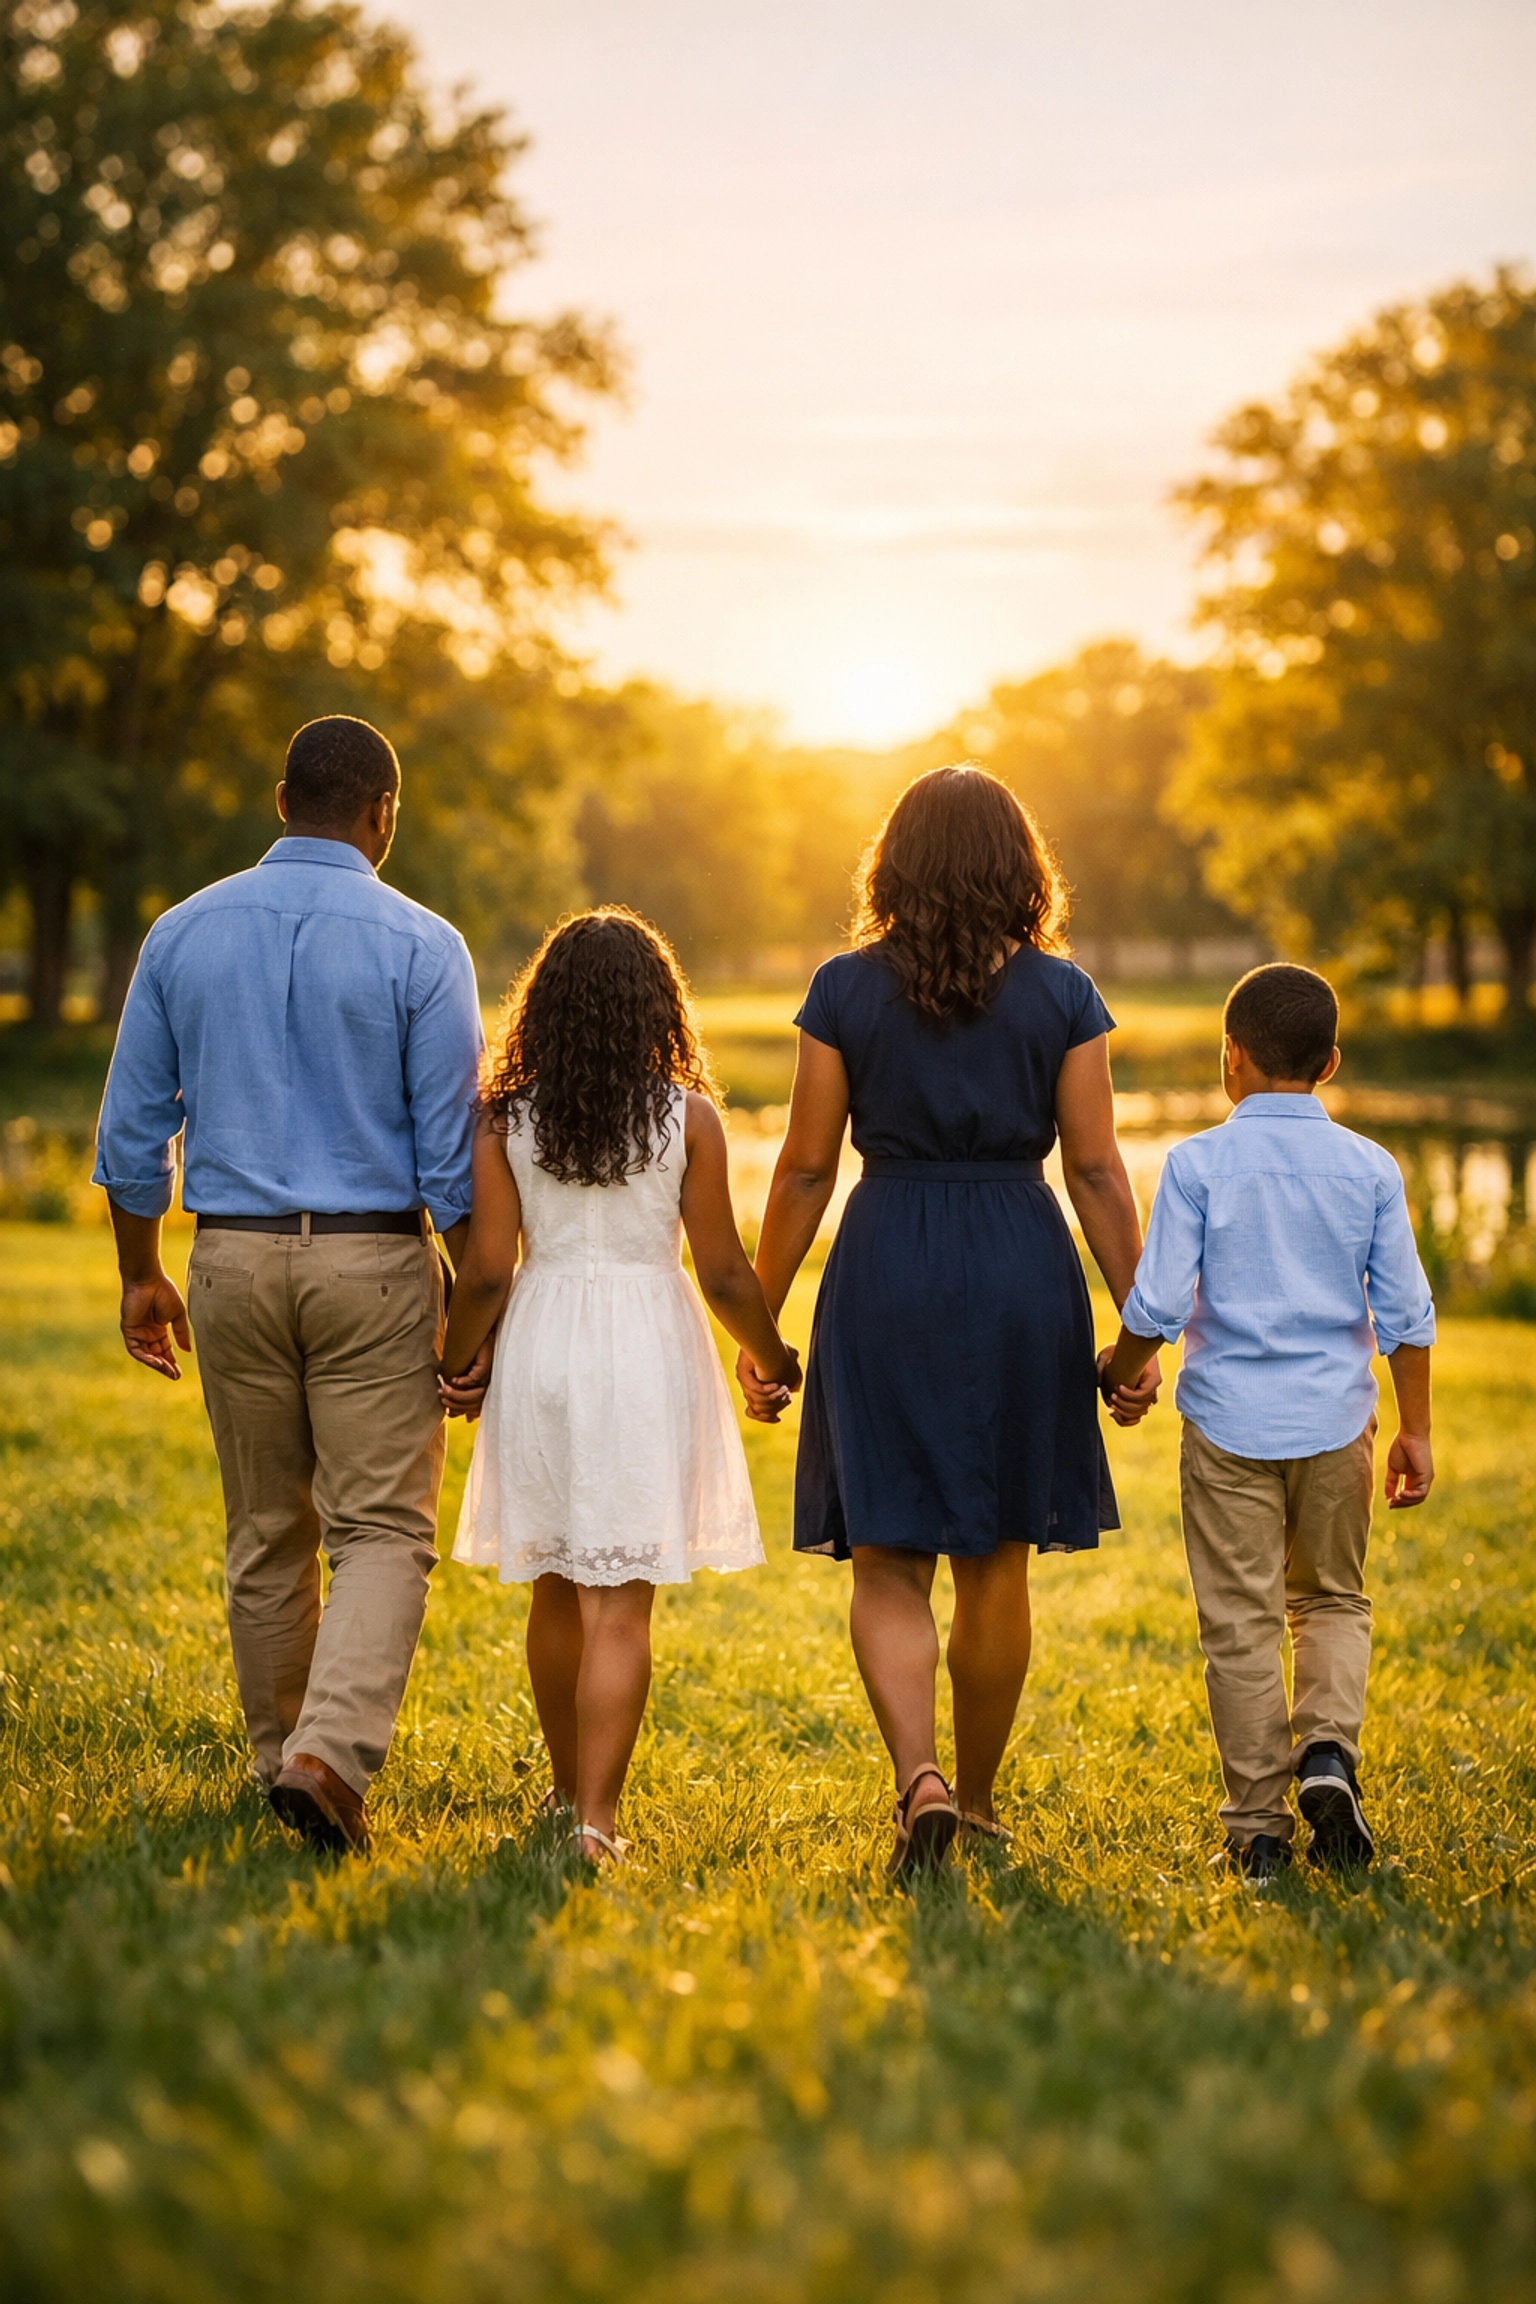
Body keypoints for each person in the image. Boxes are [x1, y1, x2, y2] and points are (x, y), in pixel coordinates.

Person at [740, 766, 1156, 1878]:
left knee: (887, 1559)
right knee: (996, 1559)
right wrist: (1141, 1323)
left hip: (887, 1265)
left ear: (895, 863)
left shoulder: (841, 988)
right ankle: (971, 1802)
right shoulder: (1065, 994)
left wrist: (758, 1319)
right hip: (1021, 1261)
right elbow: (1102, 1173)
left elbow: (805, 1169)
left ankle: (914, 1777)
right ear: (1023, 867)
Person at [93, 716, 485, 1855]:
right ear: (383, 818)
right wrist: (472, 1310)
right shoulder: (425, 945)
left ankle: (281, 1761)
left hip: (230, 1259)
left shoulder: (181, 934)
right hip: (373, 1261)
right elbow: (451, 1160)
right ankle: (326, 1760)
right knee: (381, 1533)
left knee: (265, 1530)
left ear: (280, 802)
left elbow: (131, 1135)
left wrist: (140, 1275)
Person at [439, 909, 799, 1867]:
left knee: (554, 1584)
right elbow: (724, 1272)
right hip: (645, 1347)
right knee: (621, 1604)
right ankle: (597, 1821)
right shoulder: (691, 1117)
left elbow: (484, 1270)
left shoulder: (505, 1117)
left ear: (544, 1009)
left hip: (544, 1343)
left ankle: (566, 1796)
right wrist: (772, 1351)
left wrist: (455, 1358)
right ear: (658, 1006)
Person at [1100, 963, 1436, 1881]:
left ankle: (1257, 1832)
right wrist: (1417, 1429)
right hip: (1337, 1423)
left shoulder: (1198, 1164)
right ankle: (1327, 1753)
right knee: (1331, 1597)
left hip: (1227, 1429)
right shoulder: (1371, 1168)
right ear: (1329, 1063)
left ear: (1230, 1059)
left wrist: (1118, 1371)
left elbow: (1158, 1304)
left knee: (1241, 1623)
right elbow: (1407, 1315)